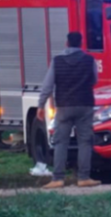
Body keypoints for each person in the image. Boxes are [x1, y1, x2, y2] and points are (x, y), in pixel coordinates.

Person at [39, 32, 100, 189]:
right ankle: (84, 178)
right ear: (81, 43)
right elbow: (94, 80)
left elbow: (47, 85)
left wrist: (41, 105)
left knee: (61, 142)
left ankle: (58, 179)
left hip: (64, 106)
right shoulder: (89, 60)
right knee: (85, 142)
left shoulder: (57, 61)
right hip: (85, 104)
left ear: (66, 43)